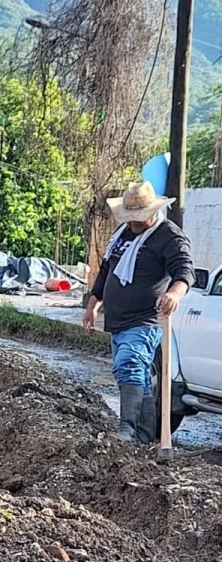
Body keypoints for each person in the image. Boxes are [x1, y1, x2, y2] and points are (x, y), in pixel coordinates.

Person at [83, 180, 195, 442]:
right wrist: (92, 305)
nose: (132, 223)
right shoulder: (124, 233)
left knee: (129, 365)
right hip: (118, 320)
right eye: (129, 217)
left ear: (151, 212)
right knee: (139, 376)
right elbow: (107, 272)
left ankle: (127, 431)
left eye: (137, 218)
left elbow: (185, 272)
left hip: (146, 319)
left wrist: (173, 294)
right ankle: (143, 437)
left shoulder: (169, 236)